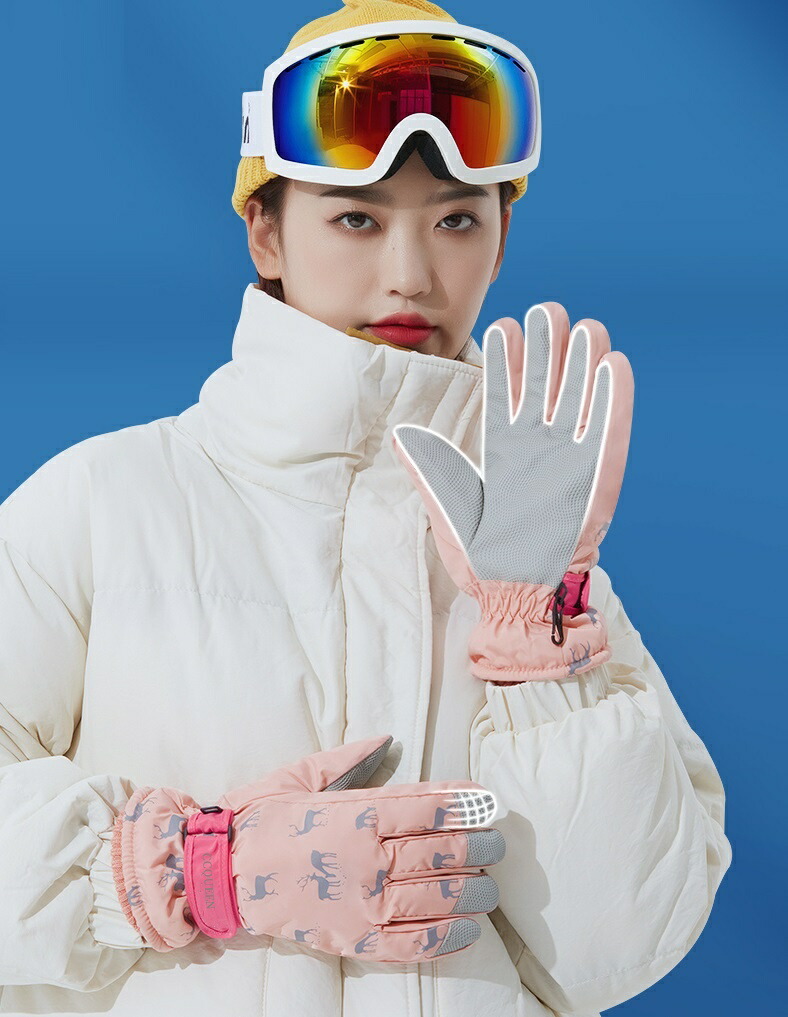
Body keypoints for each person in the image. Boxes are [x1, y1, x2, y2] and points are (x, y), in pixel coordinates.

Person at [0, 0, 732, 1014]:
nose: (411, 274)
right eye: (357, 217)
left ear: (500, 242)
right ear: (265, 231)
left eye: (456, 220)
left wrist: (538, 653)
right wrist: (191, 868)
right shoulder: (99, 506)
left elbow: (617, 949)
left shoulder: (543, 572)